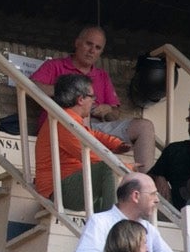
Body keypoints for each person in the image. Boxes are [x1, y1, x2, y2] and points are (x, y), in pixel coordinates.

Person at [30, 26, 156, 170]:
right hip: (62, 126)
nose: (92, 50)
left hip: (96, 128)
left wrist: (108, 109)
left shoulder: (102, 75)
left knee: (145, 126)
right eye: (88, 44)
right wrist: (69, 92)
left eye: (97, 47)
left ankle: (145, 183)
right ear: (77, 43)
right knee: (81, 113)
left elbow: (115, 114)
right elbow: (31, 87)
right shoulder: (54, 66)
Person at [68, 173, 190, 252]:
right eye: (153, 194)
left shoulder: (149, 230)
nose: (156, 200)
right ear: (136, 196)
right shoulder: (100, 222)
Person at [32, 73, 130, 212]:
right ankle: (112, 224)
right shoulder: (63, 122)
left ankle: (112, 225)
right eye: (92, 97)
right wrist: (127, 168)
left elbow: (93, 135)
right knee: (110, 168)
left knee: (117, 182)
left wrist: (116, 144)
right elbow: (89, 156)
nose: (94, 101)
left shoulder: (69, 119)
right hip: (56, 190)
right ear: (80, 99)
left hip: (71, 184)